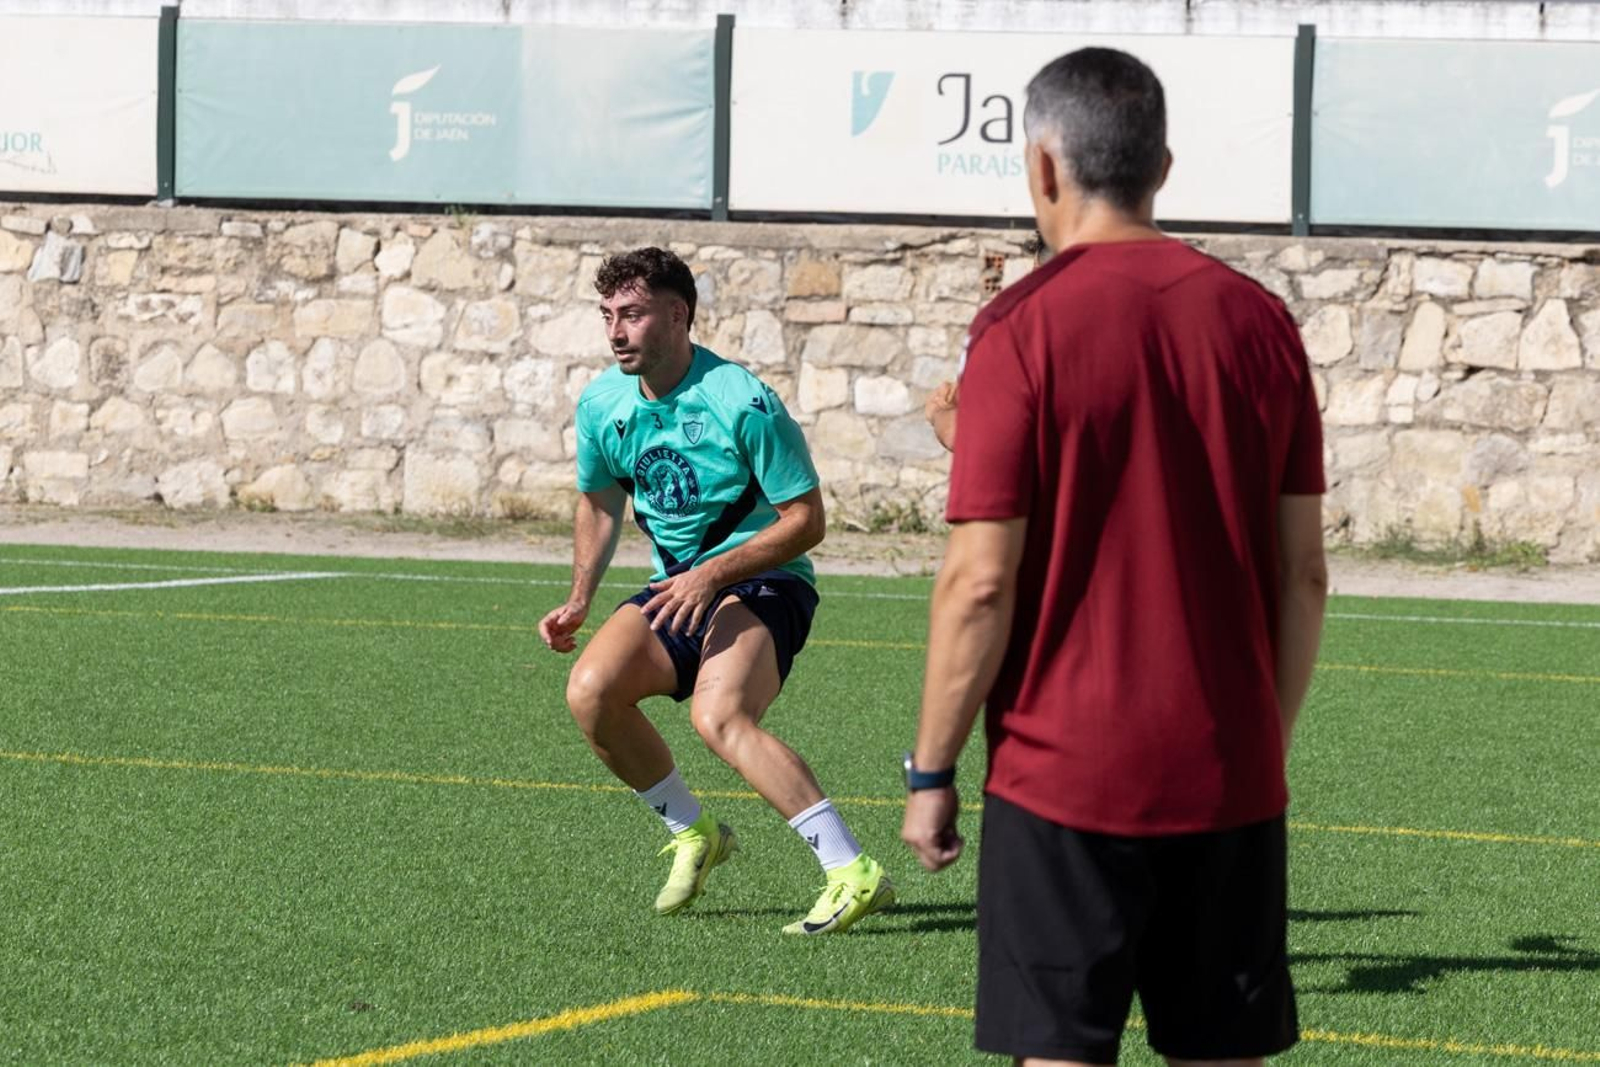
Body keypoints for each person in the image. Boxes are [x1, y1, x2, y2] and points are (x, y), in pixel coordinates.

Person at [900, 48, 1328, 1066]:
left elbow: (979, 579)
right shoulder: (1259, 322)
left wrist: (931, 765)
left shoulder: (1019, 329)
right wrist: (1259, 736)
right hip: (1228, 770)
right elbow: (1303, 572)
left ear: (1041, 169)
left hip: (1063, 780)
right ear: (1163, 167)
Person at [539, 247, 893, 935]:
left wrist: (712, 572)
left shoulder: (742, 400)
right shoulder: (602, 402)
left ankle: (853, 871)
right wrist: (581, 595)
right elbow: (600, 500)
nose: (616, 331)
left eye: (633, 315)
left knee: (719, 716)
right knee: (590, 689)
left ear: (678, 315)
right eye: (608, 315)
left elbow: (807, 521)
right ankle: (695, 832)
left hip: (767, 581)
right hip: (680, 587)